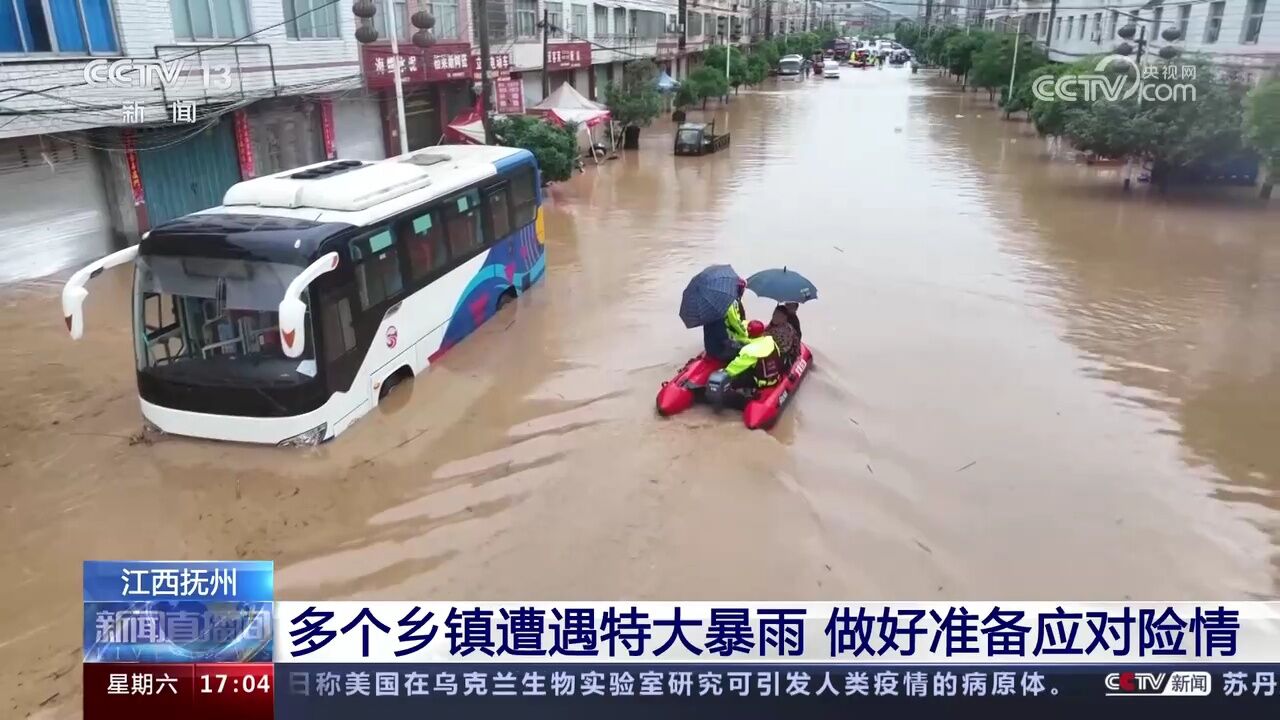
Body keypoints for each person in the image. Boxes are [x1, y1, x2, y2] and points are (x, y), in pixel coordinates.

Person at [724, 320, 783, 393]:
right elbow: (779, 354)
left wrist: (725, 372)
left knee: (737, 378)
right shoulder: (770, 341)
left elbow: (736, 367)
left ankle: (745, 394)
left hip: (760, 382)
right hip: (775, 377)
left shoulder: (750, 351)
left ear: (749, 333)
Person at [703, 279, 751, 362]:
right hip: (719, 351)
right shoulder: (721, 315)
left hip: (711, 348)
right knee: (748, 351)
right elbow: (734, 325)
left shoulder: (711, 311)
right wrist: (745, 342)